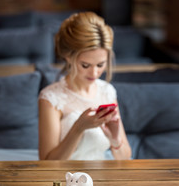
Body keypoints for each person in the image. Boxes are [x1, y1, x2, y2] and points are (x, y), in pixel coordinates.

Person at [38, 11, 132, 160]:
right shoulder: (50, 98)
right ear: (68, 57)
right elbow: (47, 163)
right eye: (85, 65)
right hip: (67, 179)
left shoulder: (107, 91)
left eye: (100, 64)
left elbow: (125, 158)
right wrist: (78, 128)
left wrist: (115, 139)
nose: (94, 73)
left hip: (101, 174)